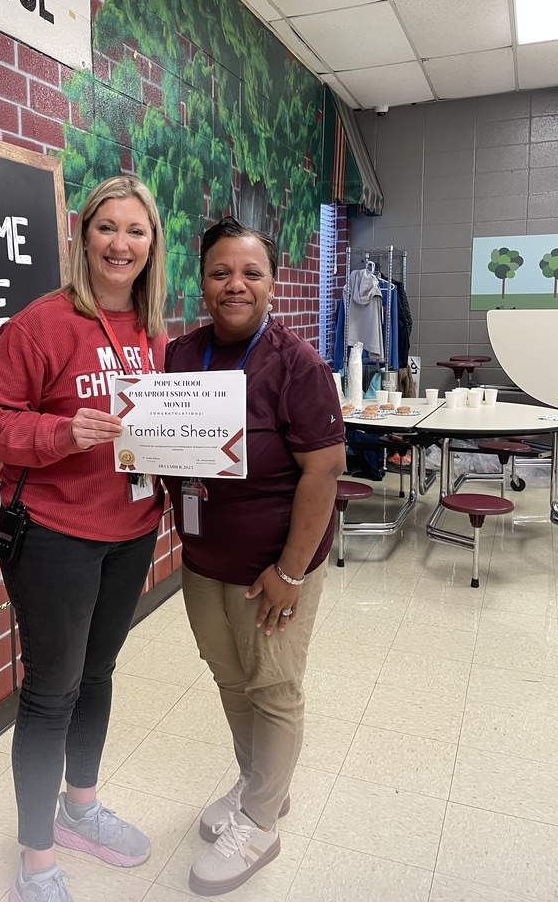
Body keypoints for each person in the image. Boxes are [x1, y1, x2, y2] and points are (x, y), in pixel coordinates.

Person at [0, 176, 167, 902]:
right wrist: (61, 431)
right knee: (52, 692)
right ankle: (36, 858)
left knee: (100, 674)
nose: (121, 244)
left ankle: (80, 809)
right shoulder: (40, 324)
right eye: (107, 228)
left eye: (135, 231)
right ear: (84, 237)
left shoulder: (152, 328)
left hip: (132, 530)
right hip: (54, 534)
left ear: (152, 244)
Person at [164, 217, 345, 897]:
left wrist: (290, 571)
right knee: (230, 677)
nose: (235, 285)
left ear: (272, 283)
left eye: (251, 273)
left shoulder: (299, 366)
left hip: (277, 563)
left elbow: (322, 475)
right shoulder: (181, 356)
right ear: (202, 282)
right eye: (220, 273)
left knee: (272, 686)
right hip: (204, 558)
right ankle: (263, 788)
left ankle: (260, 823)